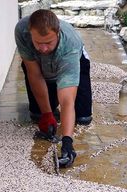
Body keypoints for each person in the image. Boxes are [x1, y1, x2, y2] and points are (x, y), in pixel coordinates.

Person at [15, 9, 92, 167]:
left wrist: (67, 142)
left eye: (48, 43)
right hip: (41, 67)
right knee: (37, 115)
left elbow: (67, 100)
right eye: (38, 43)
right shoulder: (21, 30)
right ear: (30, 33)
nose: (43, 48)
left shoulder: (70, 43)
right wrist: (47, 113)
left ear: (57, 33)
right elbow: (34, 74)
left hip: (73, 62)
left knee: (83, 118)